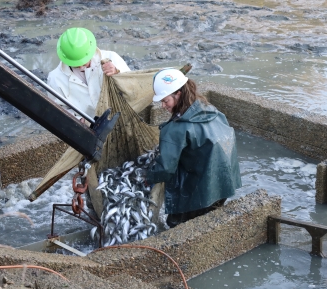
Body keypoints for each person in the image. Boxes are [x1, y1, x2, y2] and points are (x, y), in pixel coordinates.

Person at [145, 68, 242, 228]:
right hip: (225, 183)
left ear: (178, 94)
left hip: (201, 191)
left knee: (176, 226)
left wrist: (148, 177)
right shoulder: (210, 110)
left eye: (165, 100)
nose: (163, 106)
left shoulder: (175, 129)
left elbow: (166, 169)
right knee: (209, 222)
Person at [47, 27, 130, 122]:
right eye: (76, 65)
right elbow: (59, 110)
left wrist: (116, 72)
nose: (82, 67)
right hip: (87, 129)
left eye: (84, 62)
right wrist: (78, 119)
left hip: (120, 120)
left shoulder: (112, 58)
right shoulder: (55, 78)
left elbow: (132, 88)